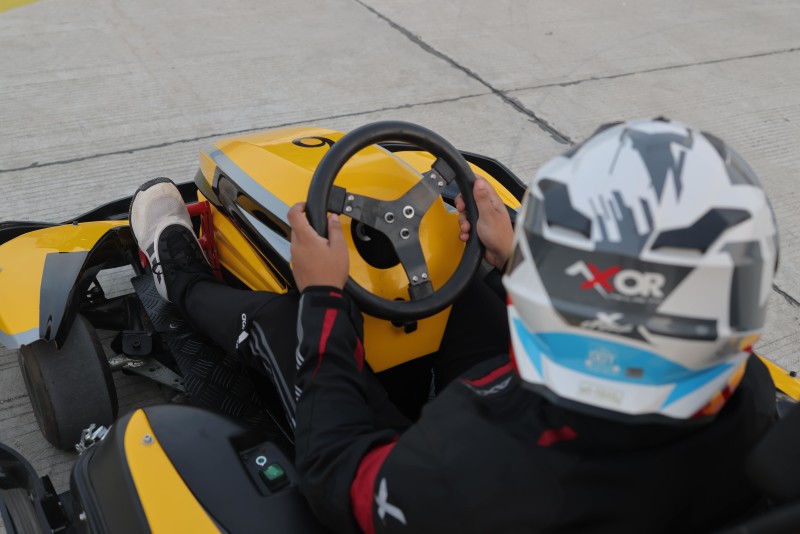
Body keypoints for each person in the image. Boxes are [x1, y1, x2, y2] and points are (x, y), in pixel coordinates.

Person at [129, 118, 778, 534]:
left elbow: (335, 474)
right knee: (464, 280)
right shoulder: (751, 398)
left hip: (435, 463)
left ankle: (176, 272)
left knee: (284, 321)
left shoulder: (459, 473)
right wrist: (511, 259)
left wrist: (324, 296)